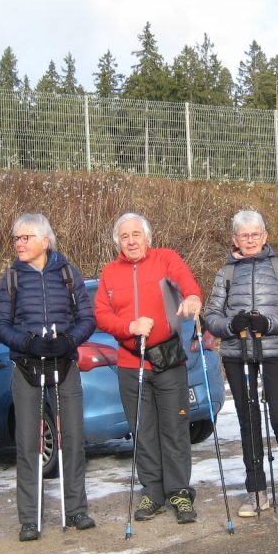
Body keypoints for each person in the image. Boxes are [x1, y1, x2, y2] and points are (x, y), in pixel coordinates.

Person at [0, 214, 96, 540]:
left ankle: (77, 510)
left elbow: (87, 318)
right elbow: (0, 324)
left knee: (73, 437)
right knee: (27, 442)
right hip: (27, 365)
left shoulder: (68, 273)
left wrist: (69, 341)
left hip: (64, 363)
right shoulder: (11, 277)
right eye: (16, 238)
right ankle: (29, 519)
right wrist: (26, 343)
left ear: (45, 241)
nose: (19, 243)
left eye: (26, 238)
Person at [94, 213, 203, 524]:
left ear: (147, 237)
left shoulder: (166, 258)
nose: (131, 241)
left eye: (136, 234)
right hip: (132, 364)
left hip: (168, 360)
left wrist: (193, 297)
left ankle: (179, 491)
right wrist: (129, 326)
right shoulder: (109, 273)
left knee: (175, 428)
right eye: (125, 236)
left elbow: (186, 281)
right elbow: (101, 315)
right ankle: (152, 492)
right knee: (143, 430)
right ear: (118, 242)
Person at [204, 210, 278, 516]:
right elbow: (211, 316)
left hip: (274, 350)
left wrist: (269, 323)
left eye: (255, 234)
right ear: (234, 239)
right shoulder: (225, 273)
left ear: (265, 236)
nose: (250, 240)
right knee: (248, 421)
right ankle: (256, 491)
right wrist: (231, 325)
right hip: (237, 353)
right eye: (244, 235)